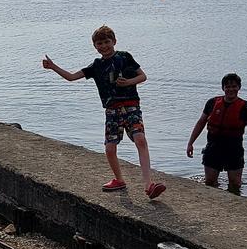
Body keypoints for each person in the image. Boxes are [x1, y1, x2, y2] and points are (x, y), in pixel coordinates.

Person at [42, 24, 167, 199]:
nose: (104, 46)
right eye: (99, 43)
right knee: (109, 149)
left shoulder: (125, 57)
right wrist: (53, 67)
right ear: (95, 46)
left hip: (131, 106)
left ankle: (148, 185)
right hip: (111, 110)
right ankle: (119, 179)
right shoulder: (96, 65)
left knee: (140, 139)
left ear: (114, 41)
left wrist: (129, 82)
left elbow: (142, 76)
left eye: (107, 42)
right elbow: (71, 77)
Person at [186, 73, 247, 193]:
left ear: (239, 87)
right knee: (210, 182)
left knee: (235, 184)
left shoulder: (246, 108)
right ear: (223, 88)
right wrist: (190, 143)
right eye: (227, 86)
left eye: (234, 86)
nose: (231, 89)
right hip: (213, 147)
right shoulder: (212, 103)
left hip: (234, 149)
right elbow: (200, 123)